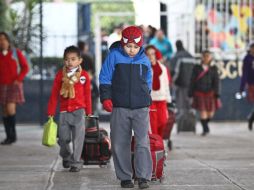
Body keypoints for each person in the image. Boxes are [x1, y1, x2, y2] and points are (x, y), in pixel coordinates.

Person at [99, 26, 152, 189]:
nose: (132, 50)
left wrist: (146, 96)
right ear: (122, 43)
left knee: (143, 141)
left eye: (135, 47)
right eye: (128, 46)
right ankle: (125, 177)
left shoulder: (144, 59)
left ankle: (143, 177)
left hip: (141, 107)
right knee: (120, 142)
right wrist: (106, 98)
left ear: (140, 46)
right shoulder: (114, 56)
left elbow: (148, 81)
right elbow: (105, 77)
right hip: (120, 106)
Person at [47, 45, 92, 172]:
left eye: (73, 59)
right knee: (63, 139)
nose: (70, 62)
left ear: (79, 61)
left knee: (78, 139)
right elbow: (54, 94)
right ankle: (66, 157)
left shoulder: (84, 76)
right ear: (64, 61)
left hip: (79, 111)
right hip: (64, 111)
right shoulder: (60, 75)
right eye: (67, 59)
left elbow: (87, 94)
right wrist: (50, 111)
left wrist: (89, 112)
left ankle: (76, 163)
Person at [0, 32, 29, 145]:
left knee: (10, 109)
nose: (2, 41)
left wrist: (19, 79)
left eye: (4, 39)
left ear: (8, 41)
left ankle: (13, 136)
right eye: (0, 39)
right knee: (4, 111)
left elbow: (25, 67)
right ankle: (8, 137)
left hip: (14, 85)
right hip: (2, 86)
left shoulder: (16, 53)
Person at [145, 45, 172, 149]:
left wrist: (168, 99)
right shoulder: (143, 68)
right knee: (153, 126)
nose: (151, 57)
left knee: (163, 123)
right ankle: (155, 148)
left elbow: (166, 84)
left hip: (162, 100)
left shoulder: (163, 68)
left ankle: (159, 146)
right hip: (150, 101)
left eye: (152, 54)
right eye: (148, 55)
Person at [188, 50, 221, 136]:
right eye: (204, 56)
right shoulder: (196, 67)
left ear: (211, 57)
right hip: (199, 92)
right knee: (203, 111)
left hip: (210, 93)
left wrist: (217, 92)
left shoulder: (214, 68)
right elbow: (192, 81)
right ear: (202, 57)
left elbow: (216, 81)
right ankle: (205, 129)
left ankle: (205, 124)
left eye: (208, 56)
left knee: (210, 113)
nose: (206, 58)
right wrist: (190, 92)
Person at [171, 40, 196, 121]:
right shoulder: (190, 56)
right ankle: (191, 122)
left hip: (180, 84)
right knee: (189, 103)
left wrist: (173, 81)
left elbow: (174, 71)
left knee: (180, 103)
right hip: (191, 84)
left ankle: (181, 122)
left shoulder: (176, 56)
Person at [239, 43, 254, 131]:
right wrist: (242, 87)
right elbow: (244, 74)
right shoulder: (247, 59)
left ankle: (251, 118)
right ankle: (251, 119)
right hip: (252, 84)